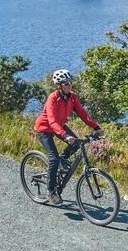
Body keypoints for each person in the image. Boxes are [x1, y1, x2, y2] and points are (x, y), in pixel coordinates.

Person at [33, 69, 100, 204]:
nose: (69, 85)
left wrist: (96, 127)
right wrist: (65, 135)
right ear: (59, 85)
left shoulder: (72, 97)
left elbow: (83, 113)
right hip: (44, 128)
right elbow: (51, 121)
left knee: (76, 143)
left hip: (60, 125)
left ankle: (61, 161)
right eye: (66, 83)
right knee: (53, 158)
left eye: (70, 83)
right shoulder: (53, 98)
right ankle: (51, 191)